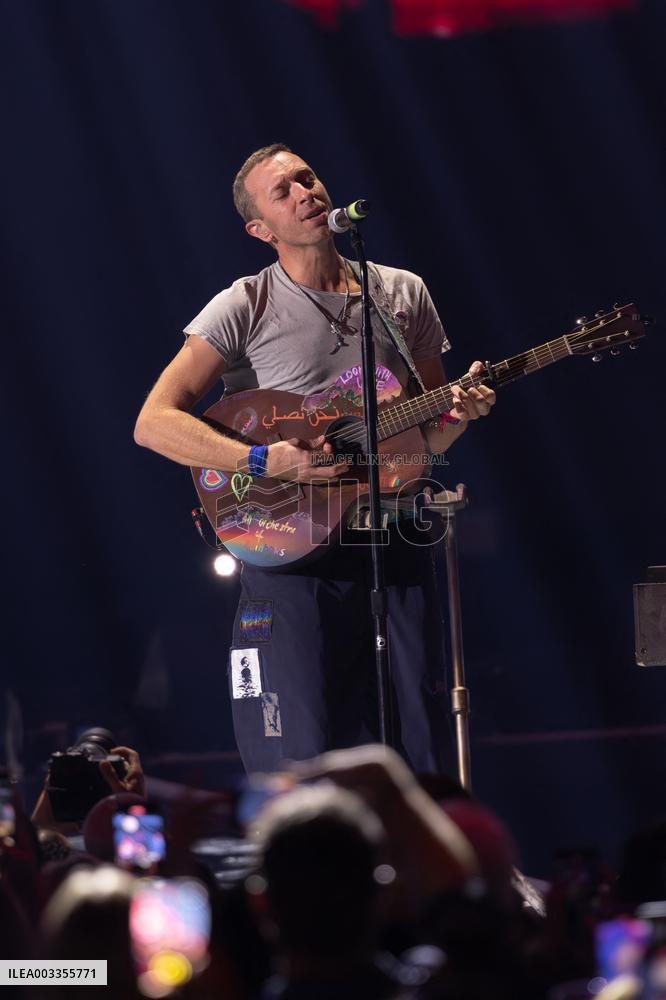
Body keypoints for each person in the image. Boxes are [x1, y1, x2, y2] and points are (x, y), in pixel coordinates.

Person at [134, 143, 496, 774]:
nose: (304, 191)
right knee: (304, 749)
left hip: (393, 537)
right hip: (288, 551)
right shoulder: (242, 304)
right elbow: (153, 423)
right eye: (283, 191)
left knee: (418, 743)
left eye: (306, 177)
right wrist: (259, 461)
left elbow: (423, 436)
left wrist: (459, 416)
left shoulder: (402, 292)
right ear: (259, 228)